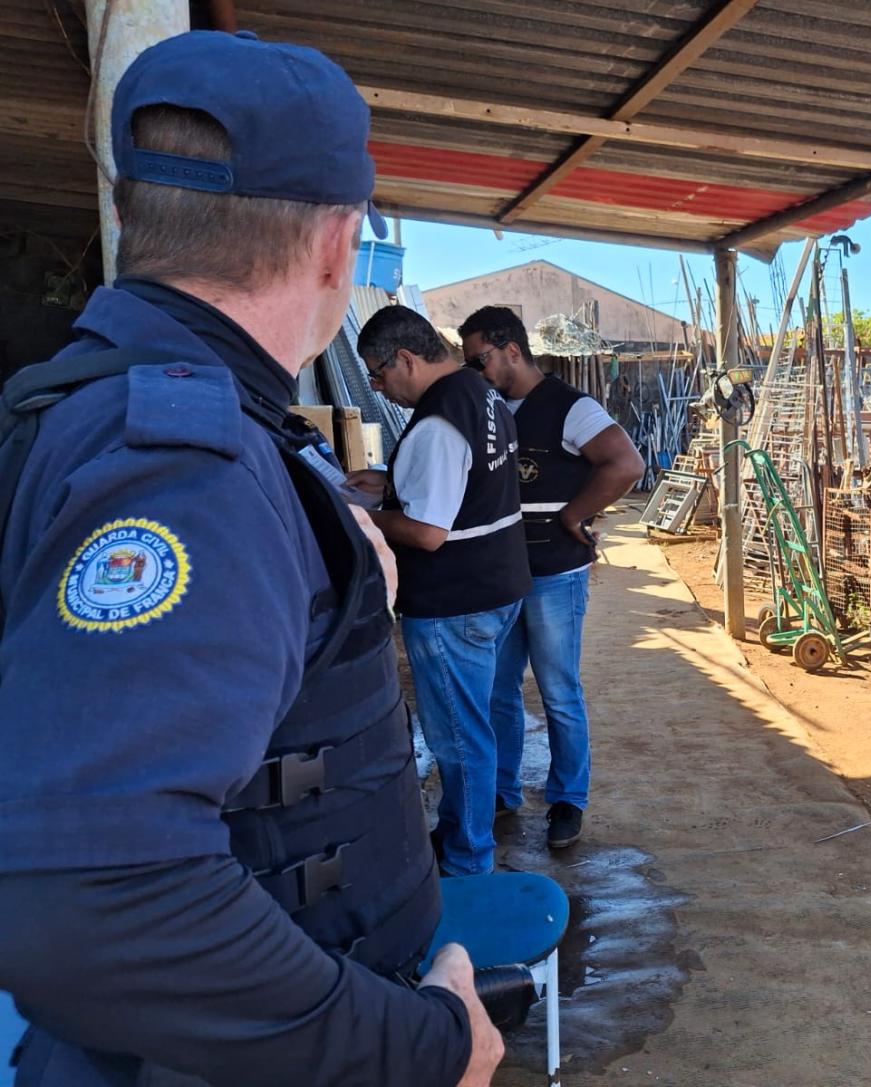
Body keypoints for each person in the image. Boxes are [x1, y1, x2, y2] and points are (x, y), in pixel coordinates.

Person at [0, 31, 501, 1087]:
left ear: (134, 217)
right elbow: (95, 903)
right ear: (337, 244)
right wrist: (419, 1047)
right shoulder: (183, 459)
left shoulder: (111, 412)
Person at [351, 305, 532, 876]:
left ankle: (467, 860)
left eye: (379, 374)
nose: (379, 386)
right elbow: (466, 481)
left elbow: (429, 532)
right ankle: (468, 827)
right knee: (478, 719)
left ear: (406, 358)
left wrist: (357, 516)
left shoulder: (435, 421)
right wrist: (390, 483)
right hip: (498, 585)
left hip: (456, 598)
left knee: (458, 735)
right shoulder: (479, 394)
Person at [458, 307, 644, 849]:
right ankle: (502, 789)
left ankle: (568, 798)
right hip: (499, 575)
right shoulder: (485, 406)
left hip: (553, 574)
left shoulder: (570, 407)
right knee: (498, 690)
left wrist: (573, 515)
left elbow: (625, 464)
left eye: (480, 359)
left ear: (511, 349)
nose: (475, 370)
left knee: (558, 689)